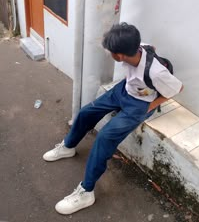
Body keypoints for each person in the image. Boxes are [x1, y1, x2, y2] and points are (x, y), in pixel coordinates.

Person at [43, 22, 183, 215]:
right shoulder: (138, 46)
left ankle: (86, 192)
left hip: (139, 105)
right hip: (123, 91)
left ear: (120, 56)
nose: (109, 54)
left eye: (110, 52)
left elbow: (177, 88)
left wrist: (148, 107)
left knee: (104, 138)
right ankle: (68, 146)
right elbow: (152, 49)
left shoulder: (156, 72)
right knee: (86, 112)